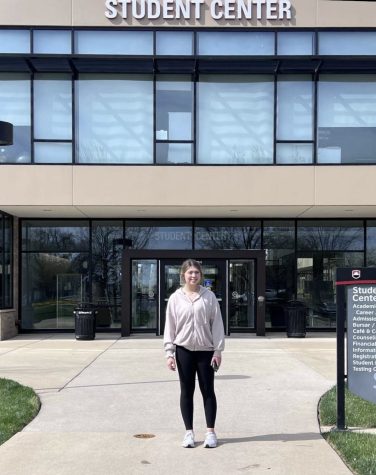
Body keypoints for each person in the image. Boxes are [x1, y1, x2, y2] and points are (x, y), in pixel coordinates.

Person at [164, 259, 225, 448]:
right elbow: (170, 326)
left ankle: (210, 433)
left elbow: (217, 325)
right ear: (183, 275)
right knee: (186, 392)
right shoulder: (175, 298)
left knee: (208, 391)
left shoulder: (209, 297)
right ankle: (189, 433)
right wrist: (169, 352)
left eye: (196, 273)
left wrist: (218, 350)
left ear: (201, 275)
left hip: (206, 351)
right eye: (190, 272)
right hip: (184, 351)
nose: (193, 275)